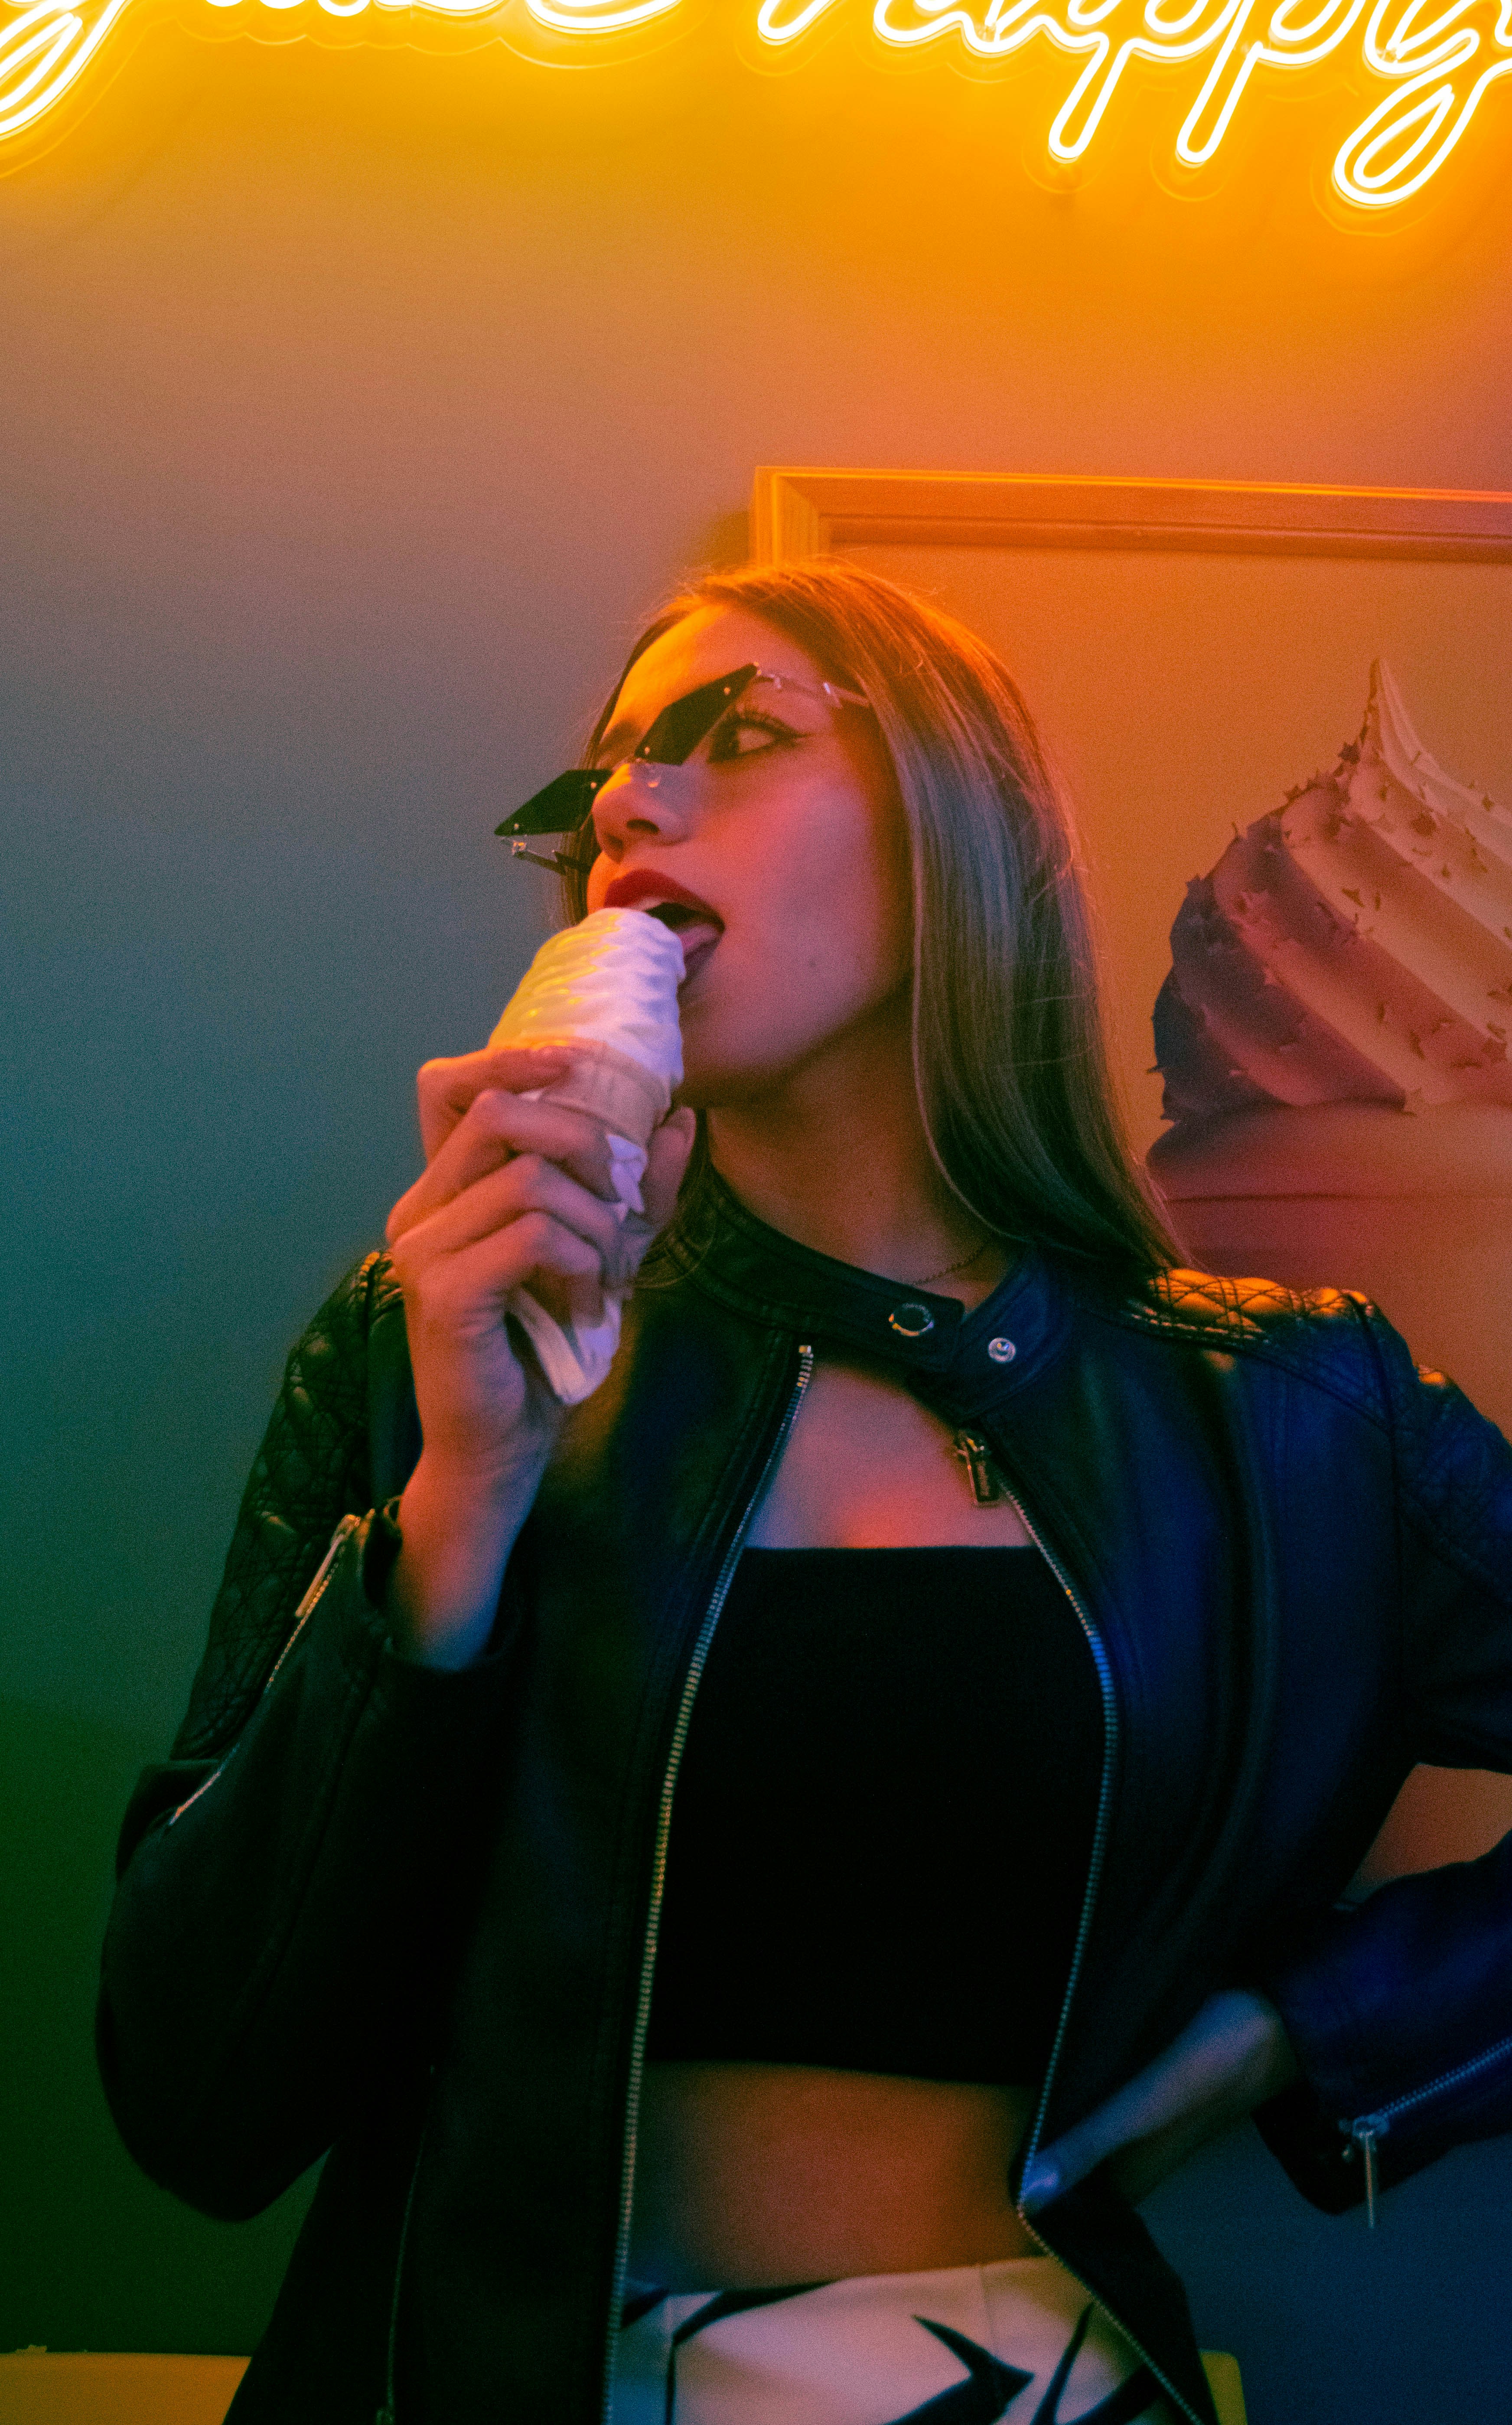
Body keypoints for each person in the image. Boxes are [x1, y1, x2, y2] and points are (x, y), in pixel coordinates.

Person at [98, 561, 1512, 2425]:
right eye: (600, 778)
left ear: (958, 835)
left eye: (735, 734)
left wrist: (1297, 2034)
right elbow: (200, 2099)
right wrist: (455, 1515)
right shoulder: (425, 1343)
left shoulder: (1287, 1413)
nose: (623, 801)